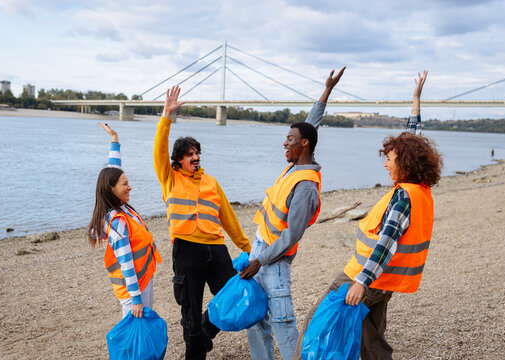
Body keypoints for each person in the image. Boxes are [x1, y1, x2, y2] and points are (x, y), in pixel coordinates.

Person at [294, 71, 443, 360]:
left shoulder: (403, 197)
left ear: (404, 162)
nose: (386, 164)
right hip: (389, 281)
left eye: (389, 159)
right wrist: (415, 102)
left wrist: (361, 282)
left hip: (366, 276)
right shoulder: (420, 187)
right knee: (371, 338)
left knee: (316, 322)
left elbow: (387, 241)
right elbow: (415, 140)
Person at [238, 66, 346, 360]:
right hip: (260, 249)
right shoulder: (297, 163)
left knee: (283, 321)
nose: (284, 143)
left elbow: (293, 234)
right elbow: (311, 123)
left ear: (304, 144)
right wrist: (327, 90)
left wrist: (261, 260)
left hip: (274, 259)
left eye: (289, 139)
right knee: (255, 318)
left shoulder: (306, 186)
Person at [153, 86, 252, 360]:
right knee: (190, 310)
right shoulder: (170, 178)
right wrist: (166, 117)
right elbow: (159, 150)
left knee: (233, 297)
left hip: (216, 250)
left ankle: (206, 331)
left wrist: (247, 247)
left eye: (197, 152)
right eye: (189, 154)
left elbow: (228, 218)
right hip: (187, 251)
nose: (195, 157)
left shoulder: (211, 182)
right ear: (179, 160)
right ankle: (195, 350)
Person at [87, 123, 162, 318]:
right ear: (111, 189)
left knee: (142, 333)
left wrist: (115, 140)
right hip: (133, 289)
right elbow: (126, 262)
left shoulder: (119, 206)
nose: (130, 188)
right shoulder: (117, 221)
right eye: (125, 184)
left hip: (141, 281)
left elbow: (113, 171)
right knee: (136, 336)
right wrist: (136, 299)